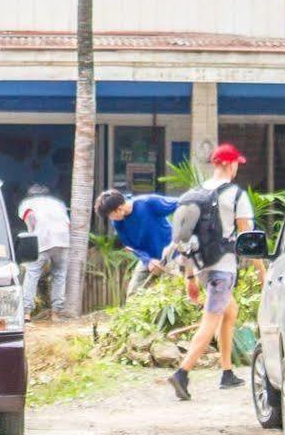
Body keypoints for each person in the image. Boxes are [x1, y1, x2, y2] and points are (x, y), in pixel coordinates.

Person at [164, 143, 257, 400]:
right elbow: (248, 237)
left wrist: (190, 277)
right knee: (210, 321)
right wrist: (262, 269)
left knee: (231, 310)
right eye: (236, 162)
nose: (238, 167)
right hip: (223, 270)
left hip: (203, 267)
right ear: (228, 164)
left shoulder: (193, 195)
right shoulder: (235, 195)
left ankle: (227, 372)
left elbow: (186, 240)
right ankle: (182, 373)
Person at [95, 187, 181, 295]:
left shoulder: (148, 203)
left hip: (173, 254)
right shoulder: (118, 223)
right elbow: (132, 246)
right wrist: (148, 261)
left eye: (110, 215)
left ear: (119, 208)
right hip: (149, 258)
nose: (111, 218)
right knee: (133, 293)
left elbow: (182, 204)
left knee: (175, 293)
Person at [15, 184, 70, 319]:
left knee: (32, 273)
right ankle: (56, 313)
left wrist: (31, 234)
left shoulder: (27, 203)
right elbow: (67, 223)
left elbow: (31, 220)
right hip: (63, 239)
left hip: (42, 239)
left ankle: (27, 313)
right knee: (59, 275)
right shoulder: (58, 203)